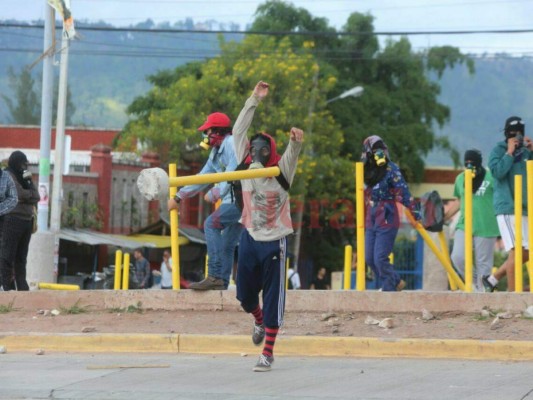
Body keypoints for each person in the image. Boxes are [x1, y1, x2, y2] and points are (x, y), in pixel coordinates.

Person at [233, 81, 303, 372]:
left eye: (263, 151)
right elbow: (238, 131)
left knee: (273, 297)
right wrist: (254, 99)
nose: (257, 155)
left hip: (275, 240)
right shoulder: (245, 165)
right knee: (244, 296)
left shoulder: (281, 172)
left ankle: (268, 353)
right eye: (254, 150)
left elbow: (293, 151)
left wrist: (296, 141)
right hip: (249, 236)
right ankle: (258, 319)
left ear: (270, 153)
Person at [167, 112, 243, 290]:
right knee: (227, 244)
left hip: (243, 198)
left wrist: (217, 190)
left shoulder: (232, 144)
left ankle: (215, 275)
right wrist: (179, 196)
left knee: (211, 224)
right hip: (232, 199)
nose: (205, 136)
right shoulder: (216, 153)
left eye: (207, 131)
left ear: (217, 132)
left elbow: (234, 171)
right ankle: (222, 283)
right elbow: (202, 177)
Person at [361, 135, 420, 292]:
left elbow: (403, 192)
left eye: (381, 149)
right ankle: (395, 281)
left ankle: (389, 290)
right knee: (369, 258)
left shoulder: (391, 169)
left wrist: (416, 212)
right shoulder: (366, 171)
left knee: (380, 258)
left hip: (387, 213)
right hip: (371, 215)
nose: (379, 153)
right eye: (374, 150)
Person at [483, 116, 533, 292]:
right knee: (516, 252)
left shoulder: (527, 153)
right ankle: (513, 297)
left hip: (526, 208)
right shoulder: (499, 150)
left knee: (526, 252)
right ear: (506, 133)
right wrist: (509, 153)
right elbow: (497, 172)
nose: (517, 135)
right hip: (507, 207)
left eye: (520, 132)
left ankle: (493, 279)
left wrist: (532, 151)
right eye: (513, 132)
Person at [445, 149, 500, 291]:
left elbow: (500, 197)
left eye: (473, 162)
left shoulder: (491, 177)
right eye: (467, 162)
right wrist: (445, 216)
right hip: (464, 224)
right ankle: (475, 283)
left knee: (484, 264)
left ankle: (484, 297)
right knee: (457, 256)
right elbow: (459, 201)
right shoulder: (460, 178)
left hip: (487, 225)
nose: (470, 165)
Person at [0, 151, 38, 291]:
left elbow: (37, 196)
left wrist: (28, 188)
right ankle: (7, 288)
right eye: (22, 164)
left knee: (21, 258)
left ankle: (22, 288)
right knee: (7, 257)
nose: (24, 166)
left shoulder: (25, 178)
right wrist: (29, 196)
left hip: (26, 221)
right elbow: (18, 194)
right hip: (11, 219)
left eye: (26, 164)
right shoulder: (7, 175)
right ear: (16, 162)